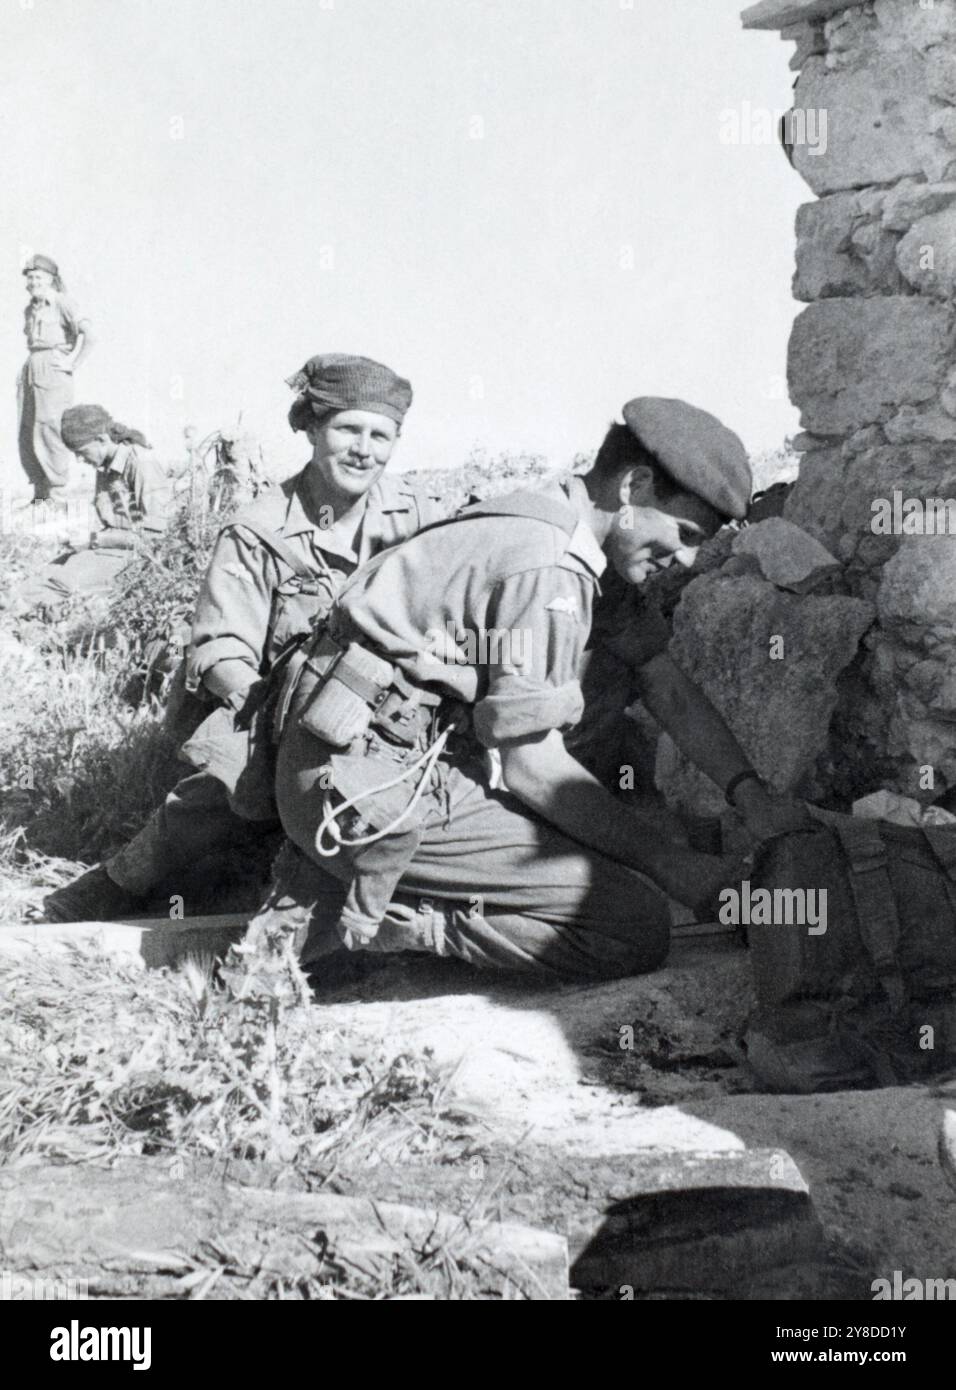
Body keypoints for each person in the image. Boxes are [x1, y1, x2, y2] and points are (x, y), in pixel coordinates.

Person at [267, 397, 808, 981]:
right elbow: (530, 764)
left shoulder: (575, 531)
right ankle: (389, 921)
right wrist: (673, 866)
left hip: (368, 759)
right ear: (635, 485)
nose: (687, 558)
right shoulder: (548, 562)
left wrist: (748, 792)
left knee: (596, 842)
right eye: (684, 533)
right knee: (627, 922)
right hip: (362, 784)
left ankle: (357, 871)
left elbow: (662, 679)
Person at [44, 354, 444, 923]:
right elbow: (220, 647)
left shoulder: (421, 515)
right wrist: (272, 713)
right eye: (348, 429)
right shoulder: (259, 530)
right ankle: (122, 880)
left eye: (381, 435)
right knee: (233, 772)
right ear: (311, 428)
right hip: (279, 705)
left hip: (393, 704)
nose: (365, 449)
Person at [9, 404, 176, 617]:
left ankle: (14, 614)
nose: (79, 460)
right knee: (47, 572)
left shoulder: (142, 463)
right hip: (112, 549)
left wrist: (94, 540)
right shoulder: (105, 465)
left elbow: (157, 535)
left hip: (138, 557)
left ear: (101, 439)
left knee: (63, 582)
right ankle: (12, 604)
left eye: (81, 452)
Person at [17, 255, 94, 502]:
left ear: (50, 279)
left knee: (50, 428)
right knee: (28, 429)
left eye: (38, 277)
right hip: (32, 366)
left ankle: (57, 493)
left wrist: (72, 362)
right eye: (29, 277)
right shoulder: (30, 309)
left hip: (53, 368)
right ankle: (40, 493)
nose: (33, 282)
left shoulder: (63, 303)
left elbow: (90, 335)